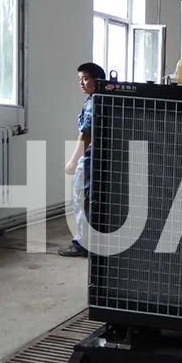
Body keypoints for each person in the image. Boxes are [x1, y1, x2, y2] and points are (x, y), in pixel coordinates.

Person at [58, 63, 105, 257]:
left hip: (90, 158)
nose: (82, 83)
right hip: (100, 157)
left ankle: (83, 244)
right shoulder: (100, 99)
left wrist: (73, 161)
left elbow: (86, 135)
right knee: (91, 200)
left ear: (97, 80)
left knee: (81, 199)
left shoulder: (94, 102)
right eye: (80, 79)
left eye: (85, 78)